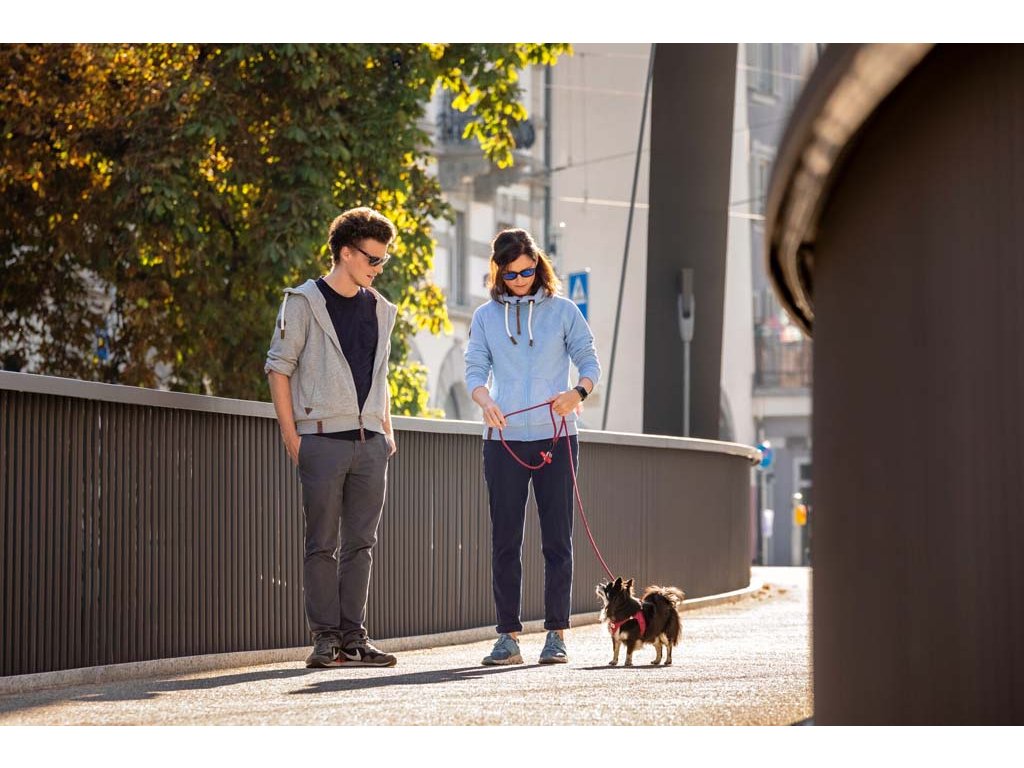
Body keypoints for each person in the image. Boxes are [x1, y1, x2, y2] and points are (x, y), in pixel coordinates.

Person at [265, 206, 399, 668]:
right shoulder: (303, 302)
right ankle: (325, 639)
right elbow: (278, 369)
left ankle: (354, 639)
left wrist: (386, 429)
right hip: (321, 440)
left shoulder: (381, 309)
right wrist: (292, 437)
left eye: (383, 260)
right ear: (345, 252)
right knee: (321, 543)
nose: (378, 268)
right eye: (373, 259)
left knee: (362, 544)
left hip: (370, 444)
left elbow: (380, 374)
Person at [464, 228, 601, 665]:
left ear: (538, 266)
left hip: (556, 437)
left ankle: (556, 635)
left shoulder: (563, 311)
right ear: (498, 273)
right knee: (505, 541)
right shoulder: (486, 317)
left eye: (526, 271)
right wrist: (484, 400)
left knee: (557, 540)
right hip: (503, 440)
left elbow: (589, 361)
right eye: (511, 274)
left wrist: (577, 393)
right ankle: (507, 638)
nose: (520, 280)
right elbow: (474, 368)